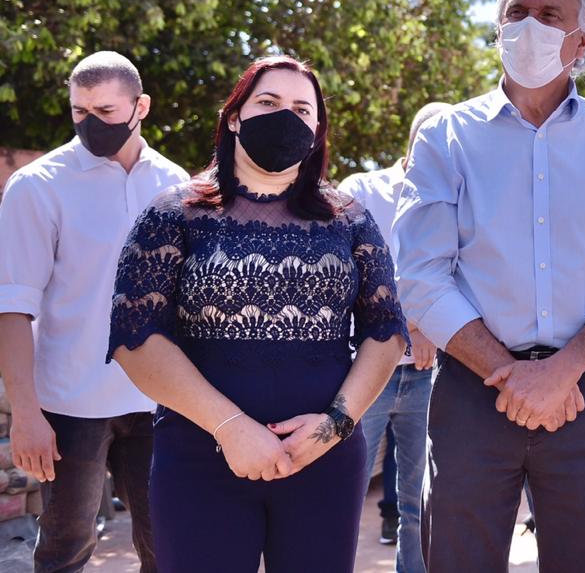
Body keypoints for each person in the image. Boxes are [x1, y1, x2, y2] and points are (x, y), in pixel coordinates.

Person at [393, 0, 585, 573]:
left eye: (550, 14)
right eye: (517, 11)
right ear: (497, 29)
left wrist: (562, 371)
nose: (530, 26)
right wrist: (509, 375)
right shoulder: (447, 136)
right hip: (472, 392)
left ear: (584, 38)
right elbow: (421, 273)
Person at [107, 55, 409, 572]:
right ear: (234, 117)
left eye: (301, 108)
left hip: (323, 462)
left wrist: (333, 426)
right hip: (200, 457)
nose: (285, 117)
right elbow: (136, 337)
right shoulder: (172, 213)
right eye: (268, 103)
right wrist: (230, 428)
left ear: (316, 130)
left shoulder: (351, 218)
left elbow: (386, 332)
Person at [0, 52, 187, 573]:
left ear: (140, 106)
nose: (90, 124)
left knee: (169, 547)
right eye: (79, 111)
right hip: (68, 403)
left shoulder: (176, 185)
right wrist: (26, 413)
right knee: (64, 551)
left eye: (105, 110)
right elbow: (12, 306)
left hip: (161, 401)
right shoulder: (39, 184)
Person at [338, 100, 450, 572]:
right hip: (365, 373)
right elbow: (345, 276)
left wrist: (428, 327)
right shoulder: (360, 191)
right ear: (414, 140)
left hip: (430, 374)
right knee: (341, 491)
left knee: (420, 502)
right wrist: (413, 324)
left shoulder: (456, 199)